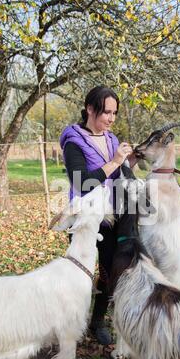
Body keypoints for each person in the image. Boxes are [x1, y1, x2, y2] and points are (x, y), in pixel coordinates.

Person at [60, 85, 136, 345]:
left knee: (109, 270)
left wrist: (127, 161)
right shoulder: (74, 141)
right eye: (107, 113)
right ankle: (70, 323)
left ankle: (97, 321)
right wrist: (114, 161)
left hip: (112, 216)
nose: (111, 119)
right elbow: (81, 183)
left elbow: (116, 174)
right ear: (90, 109)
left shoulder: (111, 138)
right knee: (80, 273)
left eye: (115, 113)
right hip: (86, 219)